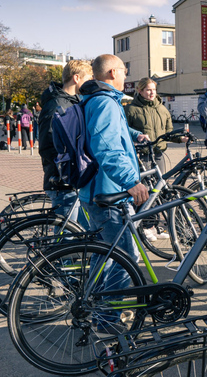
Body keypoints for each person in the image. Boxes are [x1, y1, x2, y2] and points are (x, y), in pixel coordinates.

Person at [78, 54, 150, 331]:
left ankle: (92, 308)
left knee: (104, 255)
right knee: (123, 258)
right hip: (108, 192)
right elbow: (107, 147)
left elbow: (114, 133)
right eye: (123, 70)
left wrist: (134, 135)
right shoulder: (104, 102)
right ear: (111, 72)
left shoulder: (99, 100)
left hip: (96, 190)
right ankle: (108, 322)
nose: (126, 75)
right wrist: (131, 180)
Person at [38, 59, 93, 227]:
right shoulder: (57, 105)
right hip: (63, 179)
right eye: (89, 78)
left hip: (75, 177)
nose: (90, 82)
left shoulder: (73, 101)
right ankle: (58, 254)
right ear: (76, 78)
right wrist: (68, 167)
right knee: (65, 234)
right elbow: (47, 145)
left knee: (82, 229)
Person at [125, 77, 186, 174]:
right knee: (145, 186)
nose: (152, 92)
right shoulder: (131, 109)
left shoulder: (162, 109)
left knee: (160, 185)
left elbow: (168, 132)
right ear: (140, 91)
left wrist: (180, 139)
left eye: (154, 89)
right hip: (142, 155)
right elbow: (124, 131)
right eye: (148, 90)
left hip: (158, 154)